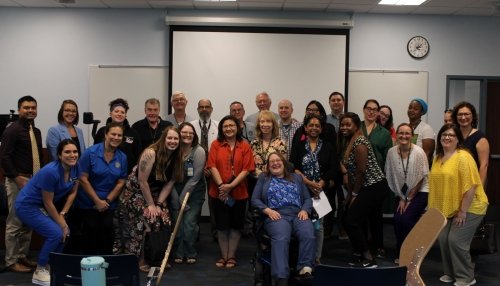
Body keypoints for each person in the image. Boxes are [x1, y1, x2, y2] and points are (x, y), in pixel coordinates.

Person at [428, 123, 488, 286]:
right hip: (448, 206)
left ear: (458, 139)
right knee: (443, 239)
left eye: (451, 135)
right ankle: (451, 273)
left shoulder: (464, 156)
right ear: (439, 137)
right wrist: (432, 209)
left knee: (455, 240)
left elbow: (471, 186)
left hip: (471, 206)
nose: (447, 138)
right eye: (444, 134)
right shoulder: (438, 157)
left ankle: (466, 277)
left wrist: (462, 211)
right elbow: (435, 185)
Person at [15, 139, 80, 285]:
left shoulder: (76, 167)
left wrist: (62, 214)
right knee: (56, 233)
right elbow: (48, 202)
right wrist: (61, 223)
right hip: (27, 206)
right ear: (59, 155)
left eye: (75, 151)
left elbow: (73, 193)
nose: (72, 155)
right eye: (67, 152)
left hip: (41, 206)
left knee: (65, 232)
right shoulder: (50, 172)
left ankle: (54, 266)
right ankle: (40, 270)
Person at [119, 126, 182, 271]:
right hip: (136, 192)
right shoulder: (150, 153)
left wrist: (159, 204)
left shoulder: (177, 157)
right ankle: (140, 259)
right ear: (163, 138)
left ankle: (157, 258)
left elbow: (169, 183)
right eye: (170, 138)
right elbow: (142, 181)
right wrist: (151, 205)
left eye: (175, 139)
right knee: (147, 218)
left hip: (155, 193)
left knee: (164, 218)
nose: (172, 141)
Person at [251, 152, 315, 286]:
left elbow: (308, 198)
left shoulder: (296, 177)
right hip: (277, 214)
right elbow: (255, 199)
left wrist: (305, 209)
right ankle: (281, 277)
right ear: (268, 166)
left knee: (308, 232)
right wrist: (267, 210)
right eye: (271, 162)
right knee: (281, 237)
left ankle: (304, 268)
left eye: (278, 160)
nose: (275, 163)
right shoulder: (264, 178)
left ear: (284, 163)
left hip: (298, 213)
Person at [339, 112, 388, 268]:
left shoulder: (359, 142)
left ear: (356, 126)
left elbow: (361, 171)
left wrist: (354, 194)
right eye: (342, 125)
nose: (344, 127)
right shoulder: (348, 142)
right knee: (346, 215)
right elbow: (353, 174)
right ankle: (361, 252)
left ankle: (368, 257)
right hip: (364, 186)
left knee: (352, 220)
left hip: (375, 186)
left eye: (348, 124)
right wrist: (349, 197)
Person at [0, 95, 42, 273]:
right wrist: (17, 178)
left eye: (33, 107)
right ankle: (11, 261)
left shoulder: (37, 131)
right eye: (26, 107)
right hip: (18, 181)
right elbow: (4, 156)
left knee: (28, 221)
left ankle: (22, 256)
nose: (30, 110)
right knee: (15, 221)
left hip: (33, 181)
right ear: (19, 110)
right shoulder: (12, 130)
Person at [207, 115, 255, 268]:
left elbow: (247, 169)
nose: (228, 128)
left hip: (239, 193)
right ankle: (223, 255)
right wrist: (222, 186)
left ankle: (231, 256)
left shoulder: (245, 145)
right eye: (225, 126)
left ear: (238, 127)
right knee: (221, 226)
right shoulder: (215, 144)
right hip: (218, 192)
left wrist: (231, 186)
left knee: (235, 226)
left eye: (231, 125)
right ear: (221, 129)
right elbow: (212, 165)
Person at [289, 114, 337, 265]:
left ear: (321, 128)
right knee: (303, 224)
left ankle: (316, 257)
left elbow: (333, 168)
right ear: (305, 128)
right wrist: (309, 183)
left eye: (317, 126)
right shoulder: (298, 145)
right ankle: (303, 256)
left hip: (320, 192)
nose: (314, 128)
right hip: (302, 190)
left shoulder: (328, 146)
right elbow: (293, 167)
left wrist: (320, 184)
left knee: (319, 226)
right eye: (311, 125)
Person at [74, 122, 128, 254]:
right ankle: (89, 264)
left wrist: (107, 201)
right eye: (113, 134)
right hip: (88, 201)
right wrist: (97, 201)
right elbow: (82, 178)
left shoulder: (122, 157)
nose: (116, 138)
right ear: (106, 134)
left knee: (107, 228)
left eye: (119, 135)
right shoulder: (90, 153)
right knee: (91, 229)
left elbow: (121, 182)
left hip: (108, 203)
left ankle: (106, 265)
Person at [384, 123, 429, 262]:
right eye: (401, 133)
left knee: (407, 219)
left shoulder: (419, 152)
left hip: (420, 191)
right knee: (398, 220)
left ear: (412, 136)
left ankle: (412, 254)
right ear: (396, 135)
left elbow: (421, 177)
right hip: (401, 193)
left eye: (407, 133)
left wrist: (409, 198)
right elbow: (390, 174)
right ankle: (400, 253)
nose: (404, 136)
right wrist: (402, 197)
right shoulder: (391, 152)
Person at [360, 99, 392, 258]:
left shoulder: (384, 133)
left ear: (378, 112)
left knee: (375, 215)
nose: (371, 112)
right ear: (364, 110)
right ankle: (363, 246)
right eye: (368, 109)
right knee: (361, 216)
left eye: (375, 109)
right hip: (358, 179)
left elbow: (387, 158)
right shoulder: (356, 127)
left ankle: (379, 246)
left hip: (376, 179)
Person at [171, 122, 206, 264]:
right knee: (177, 223)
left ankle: (190, 252)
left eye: (191, 133)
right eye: (184, 132)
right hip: (174, 190)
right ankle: (178, 253)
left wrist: (182, 199)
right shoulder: (173, 149)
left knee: (189, 223)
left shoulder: (198, 151)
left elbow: (195, 178)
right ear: (178, 134)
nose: (187, 135)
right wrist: (175, 199)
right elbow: (169, 179)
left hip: (194, 192)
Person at [94, 98, 141, 173]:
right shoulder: (101, 131)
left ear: (125, 115)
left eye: (122, 112)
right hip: (104, 174)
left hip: (127, 175)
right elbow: (95, 154)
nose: (119, 114)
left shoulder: (133, 133)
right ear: (110, 113)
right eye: (116, 111)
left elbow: (138, 156)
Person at [451, 101, 490, 186]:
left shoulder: (480, 138)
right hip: (454, 183)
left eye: (466, 114)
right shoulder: (453, 136)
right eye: (460, 114)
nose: (463, 117)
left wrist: (479, 190)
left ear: (473, 116)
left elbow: (484, 166)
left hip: (472, 185)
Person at [250, 111, 287, 178]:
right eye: (262, 121)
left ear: (273, 124)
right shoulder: (253, 143)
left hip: (274, 181)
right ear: (259, 124)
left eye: (268, 121)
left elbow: (283, 166)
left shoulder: (280, 143)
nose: (265, 124)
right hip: (255, 182)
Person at [407, 98, 435, 164]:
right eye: (410, 108)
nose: (411, 110)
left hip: (419, 167)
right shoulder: (405, 127)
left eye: (416, 109)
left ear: (421, 113)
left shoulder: (426, 129)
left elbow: (427, 155)